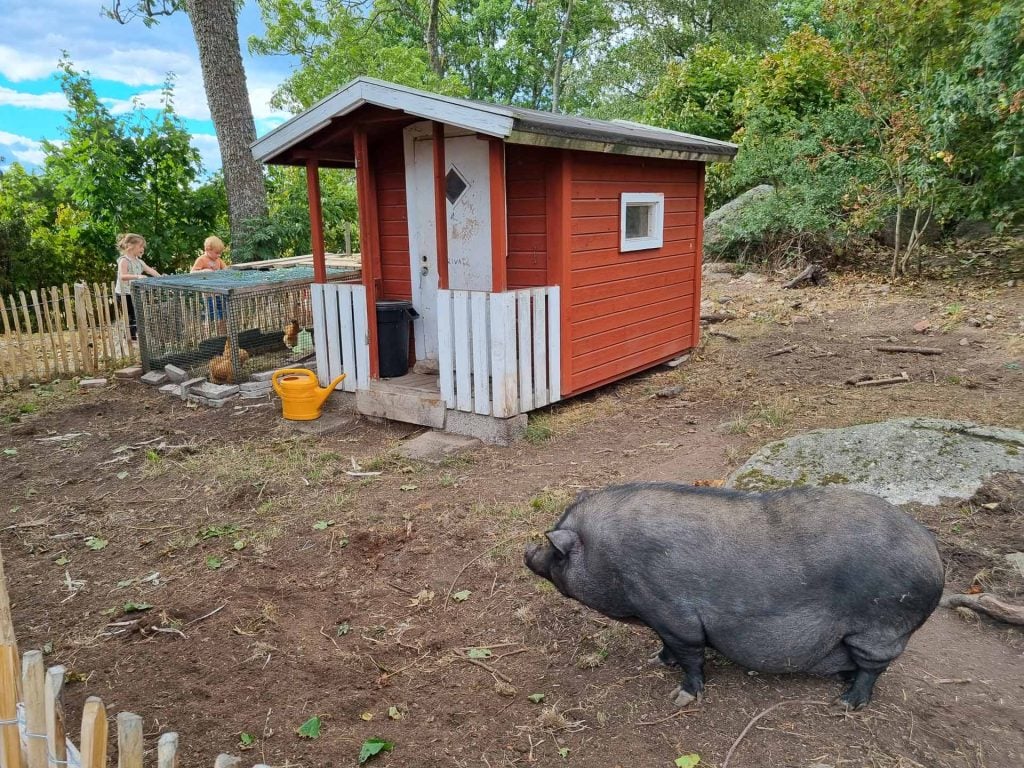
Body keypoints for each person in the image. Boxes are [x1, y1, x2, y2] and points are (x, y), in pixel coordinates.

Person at [114, 233, 160, 340]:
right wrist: (137, 276)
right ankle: (130, 336)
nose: (143, 249)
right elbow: (122, 276)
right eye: (141, 246)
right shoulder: (124, 260)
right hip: (124, 293)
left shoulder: (139, 261)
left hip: (134, 291)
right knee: (130, 314)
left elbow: (150, 270)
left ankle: (133, 335)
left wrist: (161, 277)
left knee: (137, 313)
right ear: (131, 246)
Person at [191, 235, 228, 334]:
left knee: (222, 314)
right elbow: (192, 273)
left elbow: (226, 270)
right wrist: (204, 271)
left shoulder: (218, 260)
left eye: (220, 253)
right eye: (217, 253)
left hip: (219, 292)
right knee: (210, 315)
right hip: (208, 293)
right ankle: (208, 336)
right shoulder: (201, 260)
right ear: (208, 249)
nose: (219, 255)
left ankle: (222, 335)